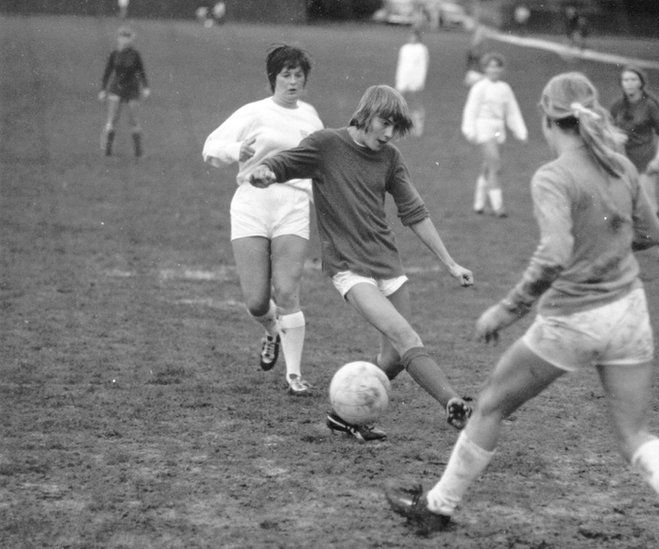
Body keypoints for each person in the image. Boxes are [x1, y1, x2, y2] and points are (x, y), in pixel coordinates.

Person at [385, 72, 659, 549]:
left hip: (573, 318)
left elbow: (555, 254)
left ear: (547, 119)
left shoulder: (554, 176)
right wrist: (609, 250)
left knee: (493, 404)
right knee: (634, 433)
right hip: (629, 314)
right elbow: (655, 233)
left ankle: (437, 507)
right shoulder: (622, 167)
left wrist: (506, 308)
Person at [248, 85, 476, 441]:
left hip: (389, 265)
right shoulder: (326, 144)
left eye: (394, 129)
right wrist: (266, 171)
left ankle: (343, 416)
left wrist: (449, 263)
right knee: (406, 336)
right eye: (384, 123)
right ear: (366, 114)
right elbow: (285, 162)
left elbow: (414, 212)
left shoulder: (390, 157)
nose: (387, 134)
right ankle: (452, 402)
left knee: (398, 356)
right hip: (350, 268)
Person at [202, 45, 324, 396]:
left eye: (299, 75)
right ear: (274, 78)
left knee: (287, 290)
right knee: (257, 301)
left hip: (294, 205)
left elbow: (320, 165)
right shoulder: (254, 112)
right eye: (286, 74)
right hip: (252, 205)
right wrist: (234, 151)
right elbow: (211, 146)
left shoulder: (311, 117)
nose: (293, 81)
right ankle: (271, 330)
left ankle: (294, 374)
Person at [610, 65, 659, 257]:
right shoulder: (617, 106)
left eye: (632, 80)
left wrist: (658, 159)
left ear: (641, 83)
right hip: (622, 161)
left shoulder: (649, 105)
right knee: (622, 203)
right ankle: (629, 242)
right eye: (625, 80)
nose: (628, 84)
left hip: (644, 160)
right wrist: (613, 136)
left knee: (648, 202)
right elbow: (608, 129)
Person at [461, 52, 528, 217]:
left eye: (497, 67)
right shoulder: (479, 87)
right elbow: (470, 110)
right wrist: (469, 130)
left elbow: (512, 111)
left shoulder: (505, 88)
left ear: (501, 70)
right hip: (483, 128)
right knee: (494, 165)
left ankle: (479, 204)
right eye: (490, 67)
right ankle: (498, 207)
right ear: (485, 69)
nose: (494, 70)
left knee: (487, 166)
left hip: (498, 130)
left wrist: (520, 131)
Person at [98, 26, 150, 158]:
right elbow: (107, 72)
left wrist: (145, 87)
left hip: (132, 89)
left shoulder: (135, 55)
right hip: (117, 88)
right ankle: (107, 149)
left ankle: (138, 151)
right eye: (122, 38)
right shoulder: (114, 54)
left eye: (127, 38)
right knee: (112, 119)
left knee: (134, 119)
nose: (124, 41)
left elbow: (141, 71)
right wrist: (103, 89)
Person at [395, 29, 429, 136]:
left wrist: (420, 80)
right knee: (399, 100)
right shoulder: (404, 48)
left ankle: (418, 126)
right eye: (410, 36)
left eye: (414, 36)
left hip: (415, 78)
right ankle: (399, 125)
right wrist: (399, 79)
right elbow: (400, 64)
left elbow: (423, 66)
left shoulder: (422, 49)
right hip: (404, 77)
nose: (411, 38)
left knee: (415, 102)